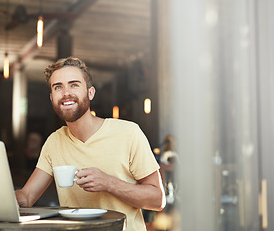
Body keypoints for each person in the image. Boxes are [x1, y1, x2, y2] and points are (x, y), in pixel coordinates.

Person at [15, 57, 165, 230]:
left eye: (74, 85)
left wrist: (109, 183)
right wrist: (10, 199)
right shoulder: (54, 142)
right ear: (51, 97)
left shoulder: (128, 133)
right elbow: (27, 196)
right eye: (58, 87)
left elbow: (157, 200)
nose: (65, 93)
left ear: (90, 93)